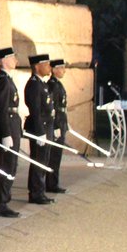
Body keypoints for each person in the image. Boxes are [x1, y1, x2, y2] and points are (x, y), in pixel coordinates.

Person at [0, 47, 22, 217]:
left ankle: (4, 200)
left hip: (12, 125)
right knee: (7, 166)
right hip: (7, 126)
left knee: (12, 165)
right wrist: (6, 133)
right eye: (12, 57)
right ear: (3, 61)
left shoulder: (7, 79)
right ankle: (1, 203)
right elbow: (1, 109)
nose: (16, 60)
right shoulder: (2, 80)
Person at [25, 54, 55, 205]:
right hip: (40, 128)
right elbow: (35, 110)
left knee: (44, 160)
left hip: (46, 126)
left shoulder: (42, 83)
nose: (49, 66)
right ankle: (36, 193)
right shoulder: (34, 84)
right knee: (38, 161)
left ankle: (40, 190)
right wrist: (40, 132)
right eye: (46, 63)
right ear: (37, 66)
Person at [47, 60, 69, 194]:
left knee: (57, 155)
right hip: (57, 122)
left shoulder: (58, 84)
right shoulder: (52, 85)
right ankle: (51, 183)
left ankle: (53, 182)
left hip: (61, 121)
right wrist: (55, 126)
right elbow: (53, 107)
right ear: (54, 70)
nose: (64, 71)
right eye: (61, 68)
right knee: (54, 156)